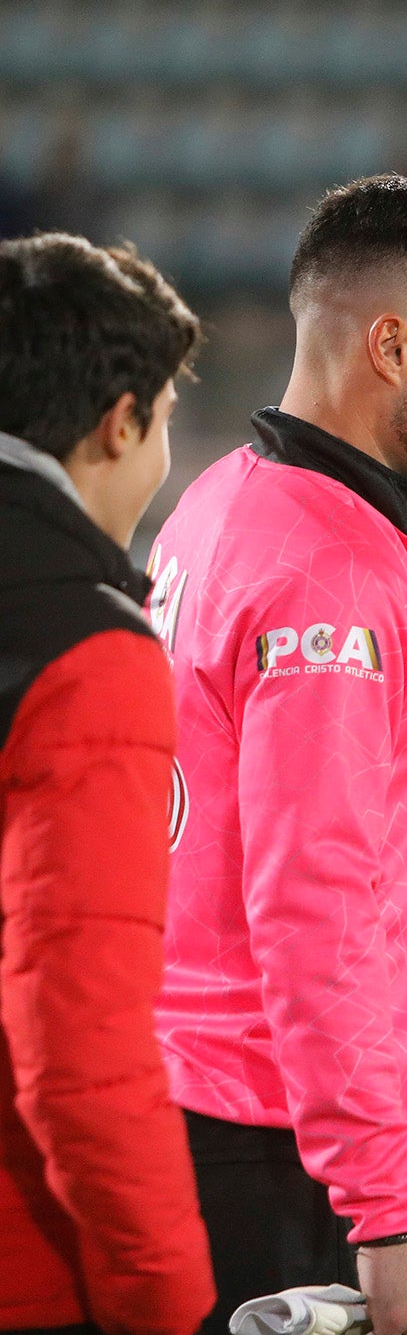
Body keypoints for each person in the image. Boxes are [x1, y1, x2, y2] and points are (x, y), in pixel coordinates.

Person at [147, 176, 407, 1335]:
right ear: (392, 344)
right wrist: (383, 1216)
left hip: (213, 1106)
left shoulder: (224, 500)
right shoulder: (330, 583)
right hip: (260, 1144)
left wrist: (404, 1122)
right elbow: (309, 907)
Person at [0, 232, 214, 1334]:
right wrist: (166, 1306)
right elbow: (78, 1053)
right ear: (120, 421)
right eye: (166, 425)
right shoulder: (86, 653)